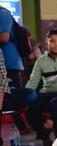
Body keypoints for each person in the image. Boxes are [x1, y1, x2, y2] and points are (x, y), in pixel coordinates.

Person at [0, 5, 38, 135]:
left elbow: (4, 37)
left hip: (10, 64)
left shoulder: (3, 14)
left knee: (16, 97)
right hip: (7, 63)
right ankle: (23, 127)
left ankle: (28, 126)